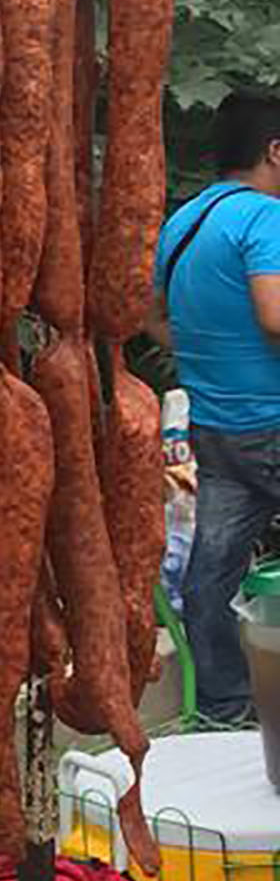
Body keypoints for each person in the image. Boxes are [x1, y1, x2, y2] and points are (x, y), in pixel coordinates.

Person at [154, 89, 280, 723]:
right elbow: (275, 313)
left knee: (212, 577)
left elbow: (155, 320)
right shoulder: (266, 219)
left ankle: (227, 710)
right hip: (274, 422)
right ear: (275, 153)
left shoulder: (183, 224)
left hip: (218, 430)